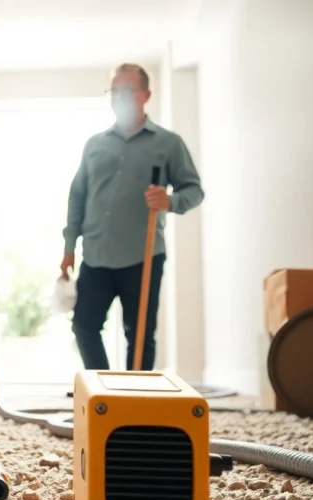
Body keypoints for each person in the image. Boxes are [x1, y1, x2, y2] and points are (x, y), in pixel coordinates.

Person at [61, 63, 204, 372]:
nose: (118, 97)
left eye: (126, 90)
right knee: (83, 327)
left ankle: (135, 398)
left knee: (139, 335)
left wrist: (170, 199)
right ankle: (105, 390)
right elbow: (78, 197)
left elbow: (194, 190)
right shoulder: (95, 144)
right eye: (114, 91)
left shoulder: (168, 143)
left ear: (145, 95)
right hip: (96, 254)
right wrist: (69, 247)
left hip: (144, 256)